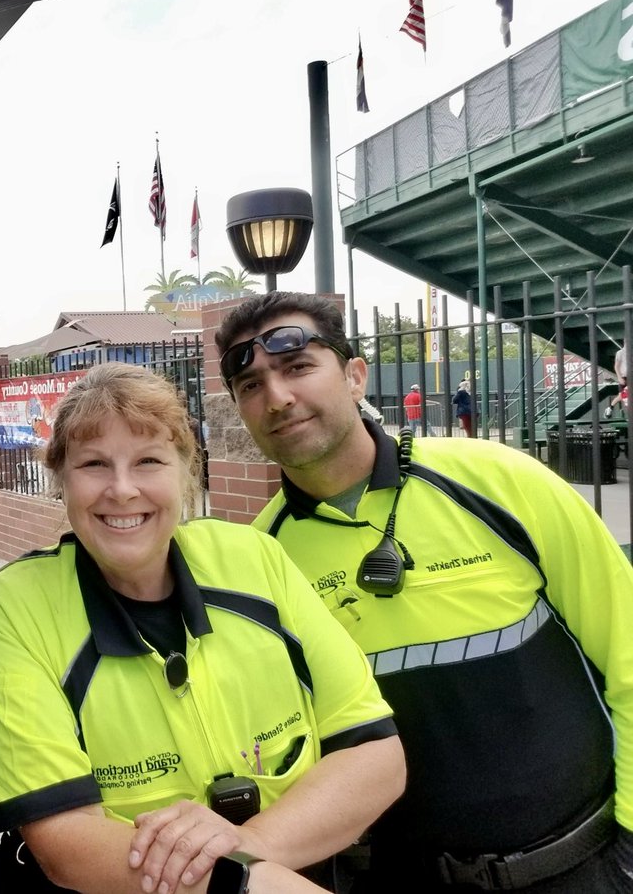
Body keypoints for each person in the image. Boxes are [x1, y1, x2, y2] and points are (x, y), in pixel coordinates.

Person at [216, 291, 633, 891]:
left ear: (356, 375)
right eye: (251, 385)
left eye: (298, 367)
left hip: (584, 868)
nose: (277, 397)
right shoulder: (261, 560)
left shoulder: (499, 481)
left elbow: (626, 655)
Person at [0, 363, 405, 894]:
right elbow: (67, 843)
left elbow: (376, 756)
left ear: (188, 472)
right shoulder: (16, 607)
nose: (123, 490)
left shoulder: (255, 559)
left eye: (149, 460)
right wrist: (240, 883)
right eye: (94, 464)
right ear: (61, 481)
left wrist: (248, 848)